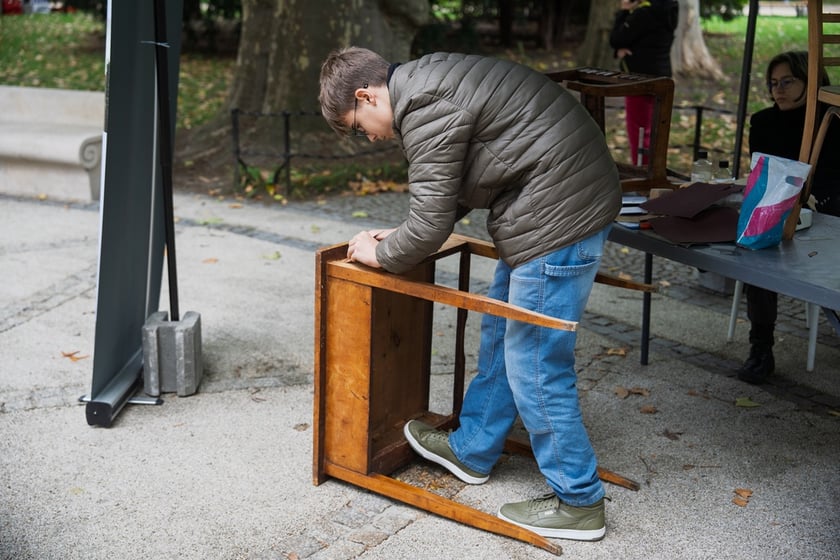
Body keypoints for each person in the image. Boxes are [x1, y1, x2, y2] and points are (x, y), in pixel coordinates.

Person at [319, 47, 622, 541]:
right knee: (503, 331)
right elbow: (450, 194)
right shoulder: (428, 81)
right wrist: (398, 236)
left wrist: (382, 253)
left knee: (536, 362)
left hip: (560, 213)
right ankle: (473, 448)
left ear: (365, 94)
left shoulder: (422, 104)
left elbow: (433, 220)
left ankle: (579, 501)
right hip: (545, 205)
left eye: (359, 125)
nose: (370, 137)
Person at [739, 50, 840, 384]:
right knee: (757, 253)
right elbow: (763, 175)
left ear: (810, 81)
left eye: (787, 81)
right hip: (781, 209)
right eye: (773, 83)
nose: (777, 89)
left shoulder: (832, 118)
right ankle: (761, 348)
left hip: (829, 208)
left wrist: (815, 200)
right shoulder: (764, 121)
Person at [609, 0, 678, 165]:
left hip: (640, 81)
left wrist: (624, 11)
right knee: (655, 133)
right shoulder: (671, 11)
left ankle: (643, 178)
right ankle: (654, 175)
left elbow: (616, 39)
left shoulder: (644, 14)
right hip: (662, 79)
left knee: (639, 134)